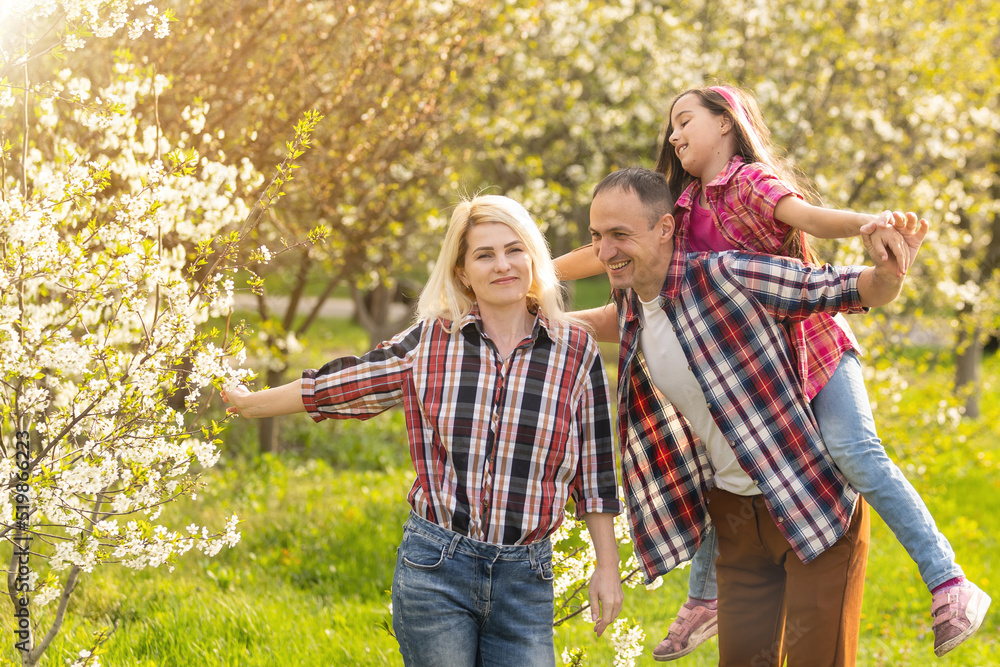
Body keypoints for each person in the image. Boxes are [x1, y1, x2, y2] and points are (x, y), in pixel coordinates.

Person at [556, 85, 990, 660]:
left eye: (685, 119)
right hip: (760, 360)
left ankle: (947, 579)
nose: (674, 134)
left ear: (727, 125)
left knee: (853, 449)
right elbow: (610, 247)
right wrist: (531, 273)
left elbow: (810, 217)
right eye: (670, 125)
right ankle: (707, 596)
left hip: (811, 340)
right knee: (716, 440)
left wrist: (872, 224)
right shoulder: (681, 210)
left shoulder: (750, 184)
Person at [222, 195, 624, 667]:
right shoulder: (432, 341)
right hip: (436, 568)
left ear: (534, 256)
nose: (503, 265)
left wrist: (607, 567)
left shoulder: (575, 351)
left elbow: (595, 474)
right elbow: (343, 384)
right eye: (484, 255)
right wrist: (253, 405)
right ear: (461, 272)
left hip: (525, 580)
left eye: (514, 250)